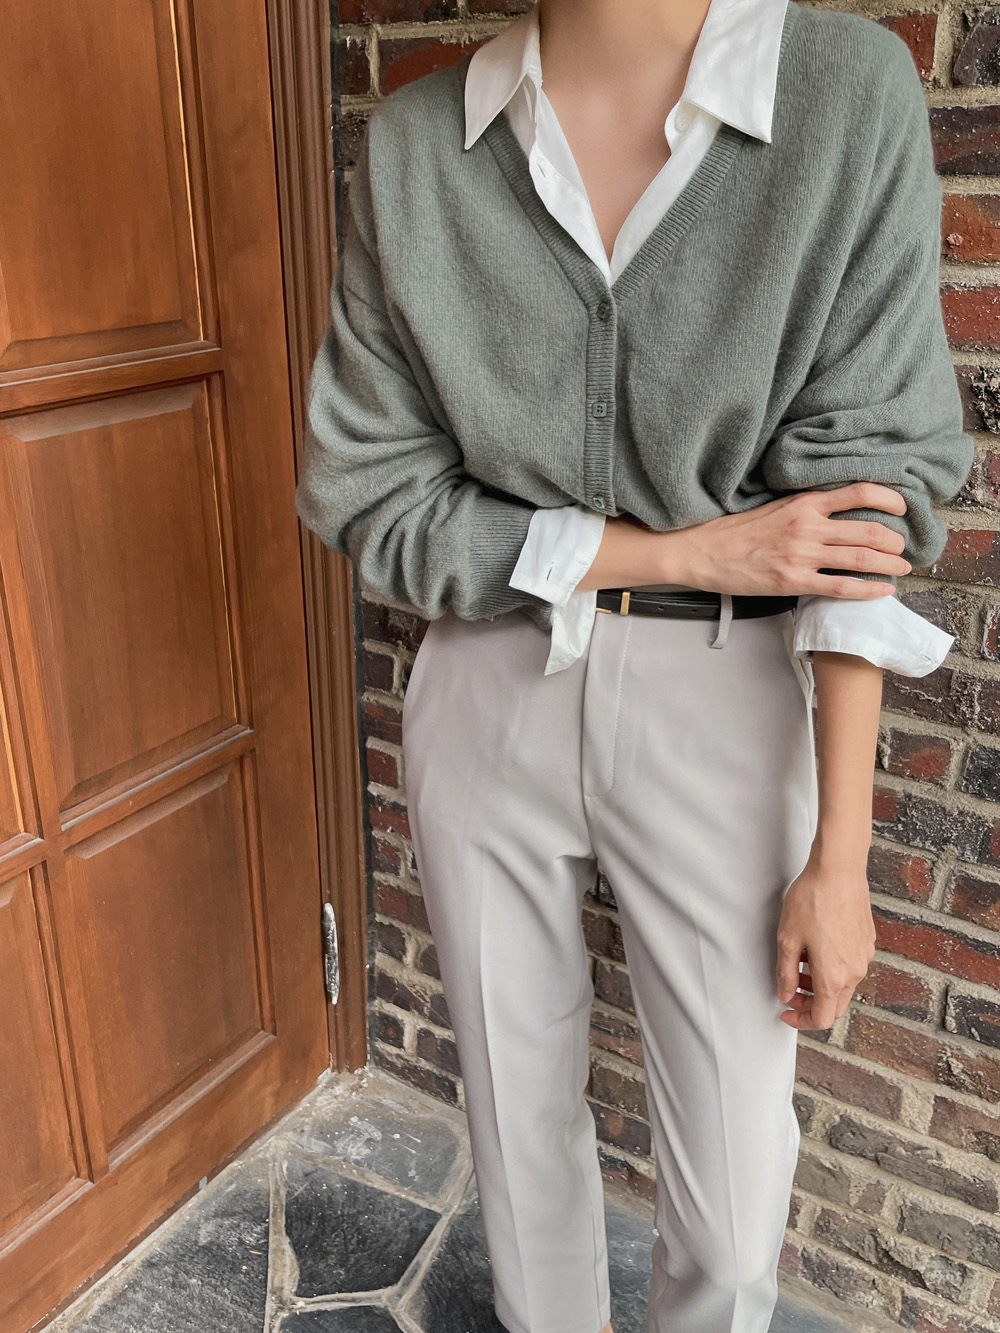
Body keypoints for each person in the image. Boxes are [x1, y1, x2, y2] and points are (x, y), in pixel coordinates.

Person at [294, 0, 976, 1329]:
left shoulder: (841, 97)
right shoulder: (422, 147)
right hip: (488, 679)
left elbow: (866, 503)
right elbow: (369, 491)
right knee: (516, 1132)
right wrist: (686, 550)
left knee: (733, 1210)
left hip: (725, 696)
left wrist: (841, 855)